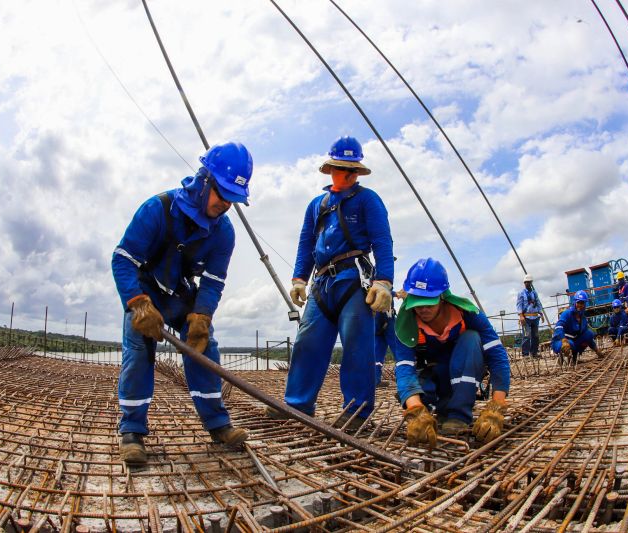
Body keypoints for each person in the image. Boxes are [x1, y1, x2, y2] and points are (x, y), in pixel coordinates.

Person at [111, 142, 252, 465]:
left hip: (180, 294)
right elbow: (122, 259)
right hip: (146, 291)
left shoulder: (224, 232)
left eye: (234, 199)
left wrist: (201, 316)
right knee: (138, 352)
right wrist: (138, 303)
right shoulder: (157, 209)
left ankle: (218, 425)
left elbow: (214, 281)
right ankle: (132, 431)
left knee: (206, 349)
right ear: (204, 181)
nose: (226, 204)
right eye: (223, 194)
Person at [268, 136, 394, 429]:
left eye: (352, 170)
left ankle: (357, 412)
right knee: (307, 343)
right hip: (322, 283)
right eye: (341, 168)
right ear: (331, 169)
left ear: (357, 172)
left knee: (356, 345)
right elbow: (306, 242)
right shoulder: (317, 204)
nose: (347, 174)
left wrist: (384, 281)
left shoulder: (368, 200)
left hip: (353, 279)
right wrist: (299, 278)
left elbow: (382, 241)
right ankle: (297, 404)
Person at [392, 258, 510, 446]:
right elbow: (404, 367)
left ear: (442, 296)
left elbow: (497, 356)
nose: (422, 309)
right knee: (416, 397)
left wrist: (497, 406)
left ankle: (459, 414)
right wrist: (415, 410)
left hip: (462, 375)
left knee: (471, 338)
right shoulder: (406, 324)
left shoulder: (468, 314)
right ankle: (436, 409)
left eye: (428, 302)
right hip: (433, 377)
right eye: (417, 302)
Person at [551, 290, 604, 364]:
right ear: (575, 303)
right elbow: (559, 327)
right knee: (570, 344)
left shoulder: (583, 319)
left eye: (582, 303)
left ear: (585, 304)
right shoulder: (567, 314)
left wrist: (597, 350)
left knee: (589, 334)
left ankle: (574, 358)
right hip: (560, 341)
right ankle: (563, 357)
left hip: (573, 342)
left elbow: (588, 338)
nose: (580, 305)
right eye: (578, 302)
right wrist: (564, 340)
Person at [516, 274, 544, 357]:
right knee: (526, 336)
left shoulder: (534, 293)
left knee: (535, 336)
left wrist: (541, 313)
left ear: (531, 283)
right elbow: (519, 305)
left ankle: (534, 353)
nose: (527, 284)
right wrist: (521, 316)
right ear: (524, 283)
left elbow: (538, 303)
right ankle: (525, 354)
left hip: (535, 317)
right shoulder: (521, 293)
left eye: (529, 282)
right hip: (526, 318)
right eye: (526, 282)